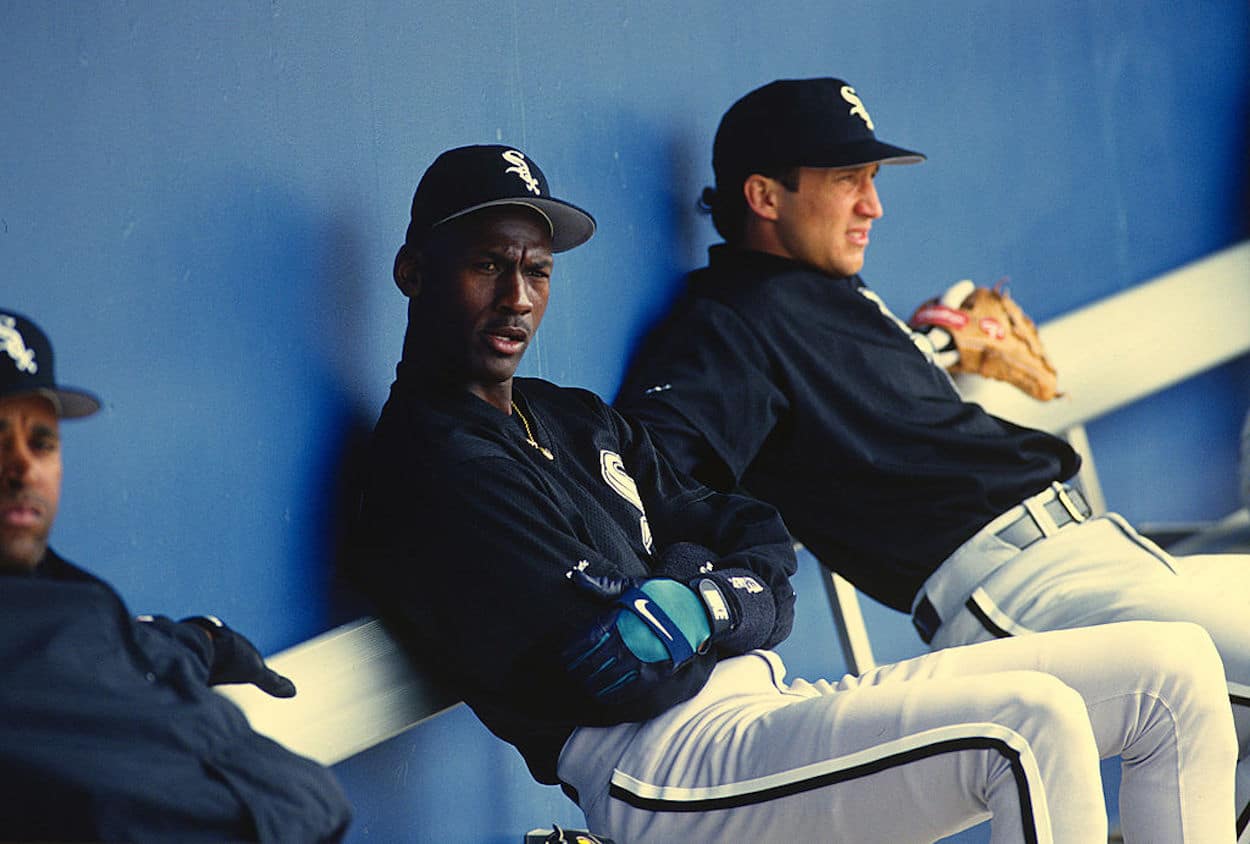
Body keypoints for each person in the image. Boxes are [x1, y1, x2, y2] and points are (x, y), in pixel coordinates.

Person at [353, 143, 1239, 842]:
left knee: (1174, 671)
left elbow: (755, 534)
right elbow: (624, 664)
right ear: (414, 272)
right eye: (485, 266)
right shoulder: (428, 465)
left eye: (537, 270)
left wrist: (699, 596)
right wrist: (717, 588)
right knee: (1025, 727)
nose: (516, 297)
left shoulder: (574, 417)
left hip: (765, 710)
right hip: (666, 771)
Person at [613, 76, 1250, 838]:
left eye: (873, 180)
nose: (872, 206)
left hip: (1104, 549)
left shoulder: (821, 291)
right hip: (1019, 588)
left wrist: (927, 346)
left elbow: (850, 403)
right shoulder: (724, 325)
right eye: (848, 180)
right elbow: (647, 463)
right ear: (764, 195)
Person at [0, 310, 352, 842]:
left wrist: (197, 640)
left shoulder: (59, 593)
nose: (23, 466)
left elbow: (89, 652)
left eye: (42, 441)